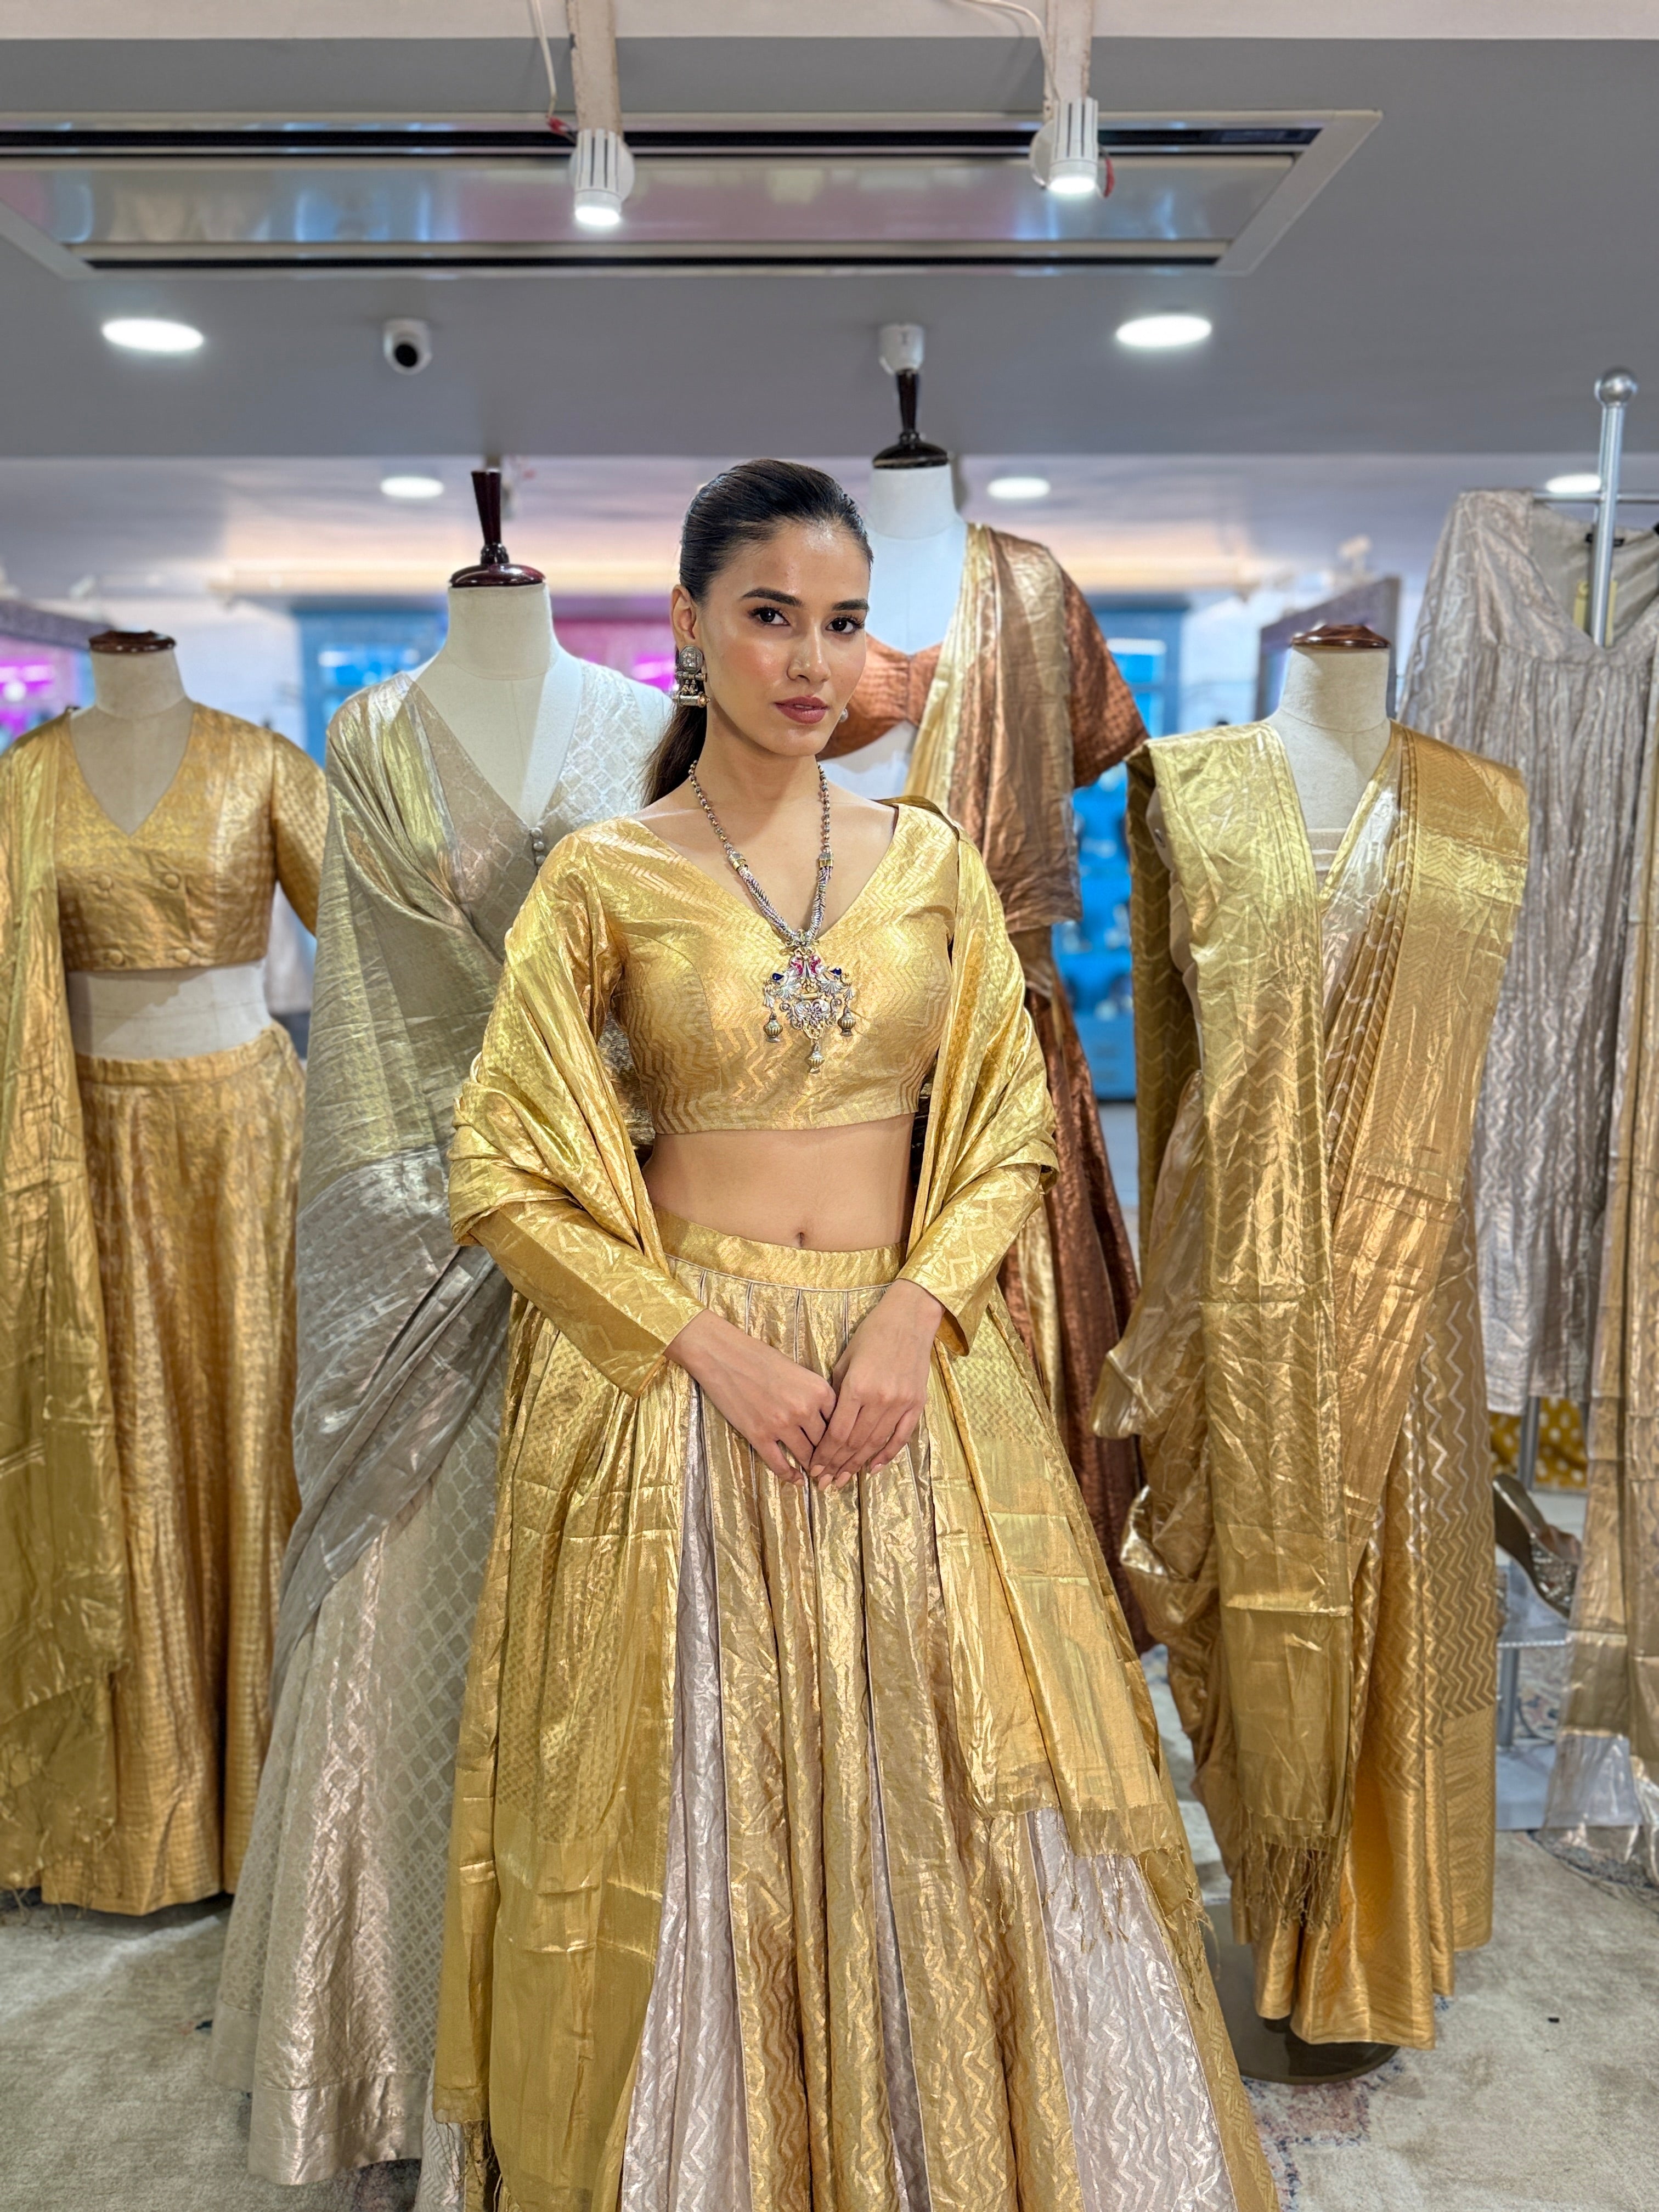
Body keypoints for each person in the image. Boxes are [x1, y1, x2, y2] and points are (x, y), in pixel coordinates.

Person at [431, 460, 1274, 2212]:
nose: (810, 662)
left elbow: (1011, 1128)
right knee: (698, 1803)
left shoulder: (934, 869)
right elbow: (506, 1167)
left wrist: (910, 1314)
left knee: (959, 1794)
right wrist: (707, 1349)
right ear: (685, 629)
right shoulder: (603, 878)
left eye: (840, 624)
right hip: (687, 1392)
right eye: (767, 616)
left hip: (912, 1384)